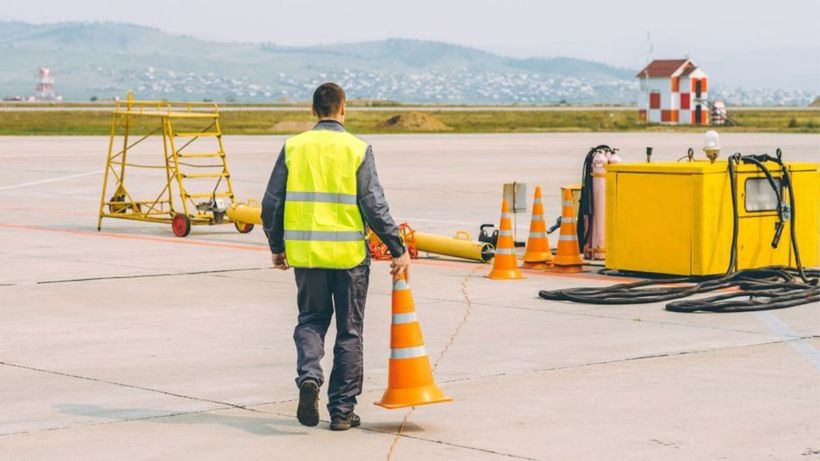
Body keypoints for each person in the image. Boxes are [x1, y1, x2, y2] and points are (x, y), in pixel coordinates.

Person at [261, 82, 410, 431]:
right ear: (344, 109)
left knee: (311, 321)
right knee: (350, 331)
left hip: (308, 255)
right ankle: (342, 412)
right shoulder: (357, 149)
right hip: (349, 258)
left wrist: (276, 246)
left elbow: (271, 203)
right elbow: (373, 204)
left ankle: (309, 377)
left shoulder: (294, 147)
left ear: (313, 111)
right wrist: (397, 247)